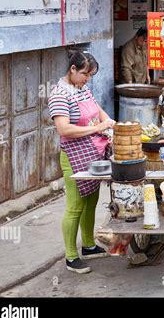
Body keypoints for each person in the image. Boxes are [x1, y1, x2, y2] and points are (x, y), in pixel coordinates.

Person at [49, 50, 115, 274]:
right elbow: (64, 128)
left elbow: (97, 110)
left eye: (91, 75)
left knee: (91, 202)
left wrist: (108, 121)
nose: (88, 79)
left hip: (92, 154)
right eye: (85, 74)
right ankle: (70, 257)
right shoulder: (60, 94)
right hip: (73, 156)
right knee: (75, 207)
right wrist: (97, 128)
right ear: (73, 70)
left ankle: (88, 246)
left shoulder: (82, 89)